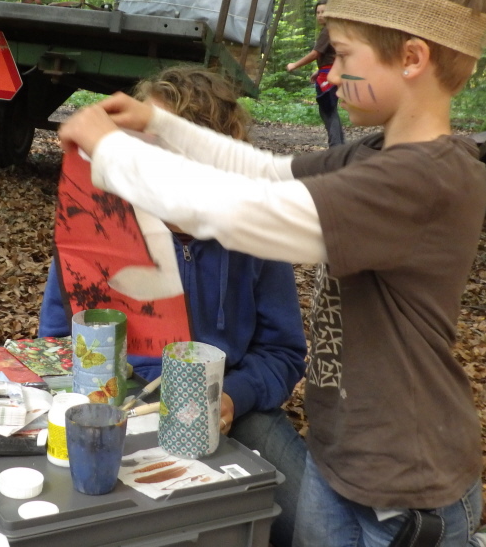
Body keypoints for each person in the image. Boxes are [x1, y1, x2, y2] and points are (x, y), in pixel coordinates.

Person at [56, 0, 486, 544]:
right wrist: (160, 125)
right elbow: (263, 172)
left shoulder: (423, 180)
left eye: (342, 55)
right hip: (340, 457)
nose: (331, 75)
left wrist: (113, 152)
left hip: (407, 484)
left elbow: (240, 213)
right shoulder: (375, 155)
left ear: (412, 58)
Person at [39, 65, 308, 547]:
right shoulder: (98, 228)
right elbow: (58, 339)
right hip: (114, 400)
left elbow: (283, 353)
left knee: (311, 527)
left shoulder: (255, 233)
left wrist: (233, 396)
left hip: (231, 405)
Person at [286, 0, 345, 147]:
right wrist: (318, 70)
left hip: (328, 76)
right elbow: (334, 55)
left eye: (323, 12)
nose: (320, 15)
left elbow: (315, 53)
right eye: (318, 12)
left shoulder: (328, 31)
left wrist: (295, 65)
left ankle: (336, 146)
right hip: (329, 71)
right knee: (330, 109)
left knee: (328, 110)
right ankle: (340, 145)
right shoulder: (335, 30)